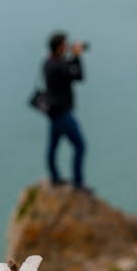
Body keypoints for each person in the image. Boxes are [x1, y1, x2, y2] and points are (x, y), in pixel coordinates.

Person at [43, 31, 87, 190]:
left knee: (53, 147)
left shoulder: (48, 63)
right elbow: (79, 76)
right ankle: (78, 182)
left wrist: (72, 56)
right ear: (60, 47)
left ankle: (55, 177)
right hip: (62, 113)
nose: (68, 46)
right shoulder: (59, 65)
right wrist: (77, 56)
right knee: (80, 146)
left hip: (53, 112)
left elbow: (65, 68)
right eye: (65, 44)